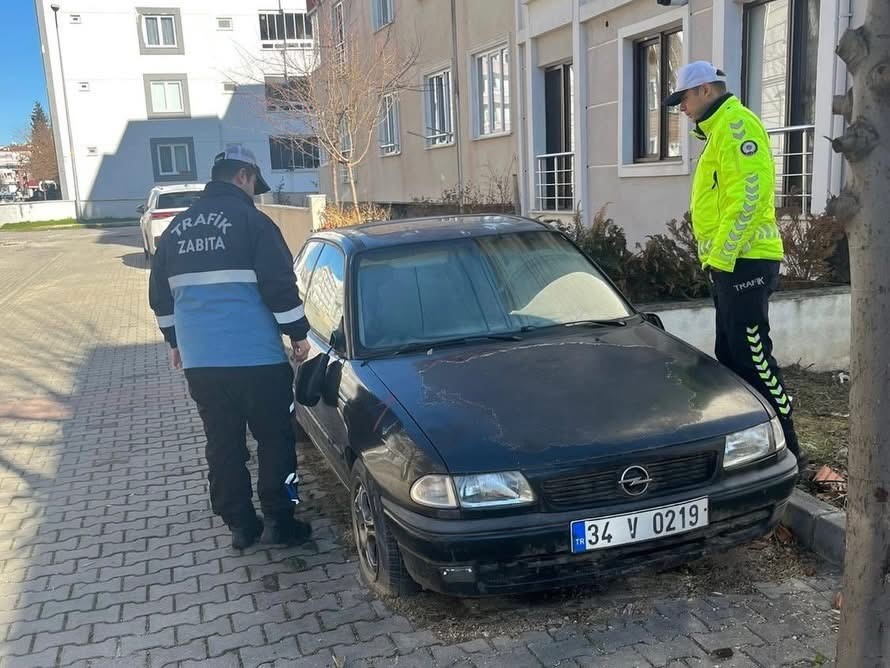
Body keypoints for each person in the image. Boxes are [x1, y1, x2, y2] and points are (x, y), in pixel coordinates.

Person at [149, 144, 314, 549]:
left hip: (203, 365)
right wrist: (298, 333)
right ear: (244, 175)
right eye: (255, 182)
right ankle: (282, 519)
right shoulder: (253, 223)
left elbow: (159, 297)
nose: (254, 189)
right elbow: (279, 286)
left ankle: (241, 525)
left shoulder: (176, 229)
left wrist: (175, 342)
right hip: (257, 359)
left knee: (223, 444)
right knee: (276, 440)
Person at [665, 61, 808, 471]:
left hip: (746, 264)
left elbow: (748, 198)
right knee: (729, 358)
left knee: (754, 358)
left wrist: (723, 260)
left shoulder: (737, 127)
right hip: (728, 266)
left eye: (685, 99)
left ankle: (791, 451)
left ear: (706, 90)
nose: (682, 109)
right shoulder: (717, 133)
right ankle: (748, 448)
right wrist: (715, 263)